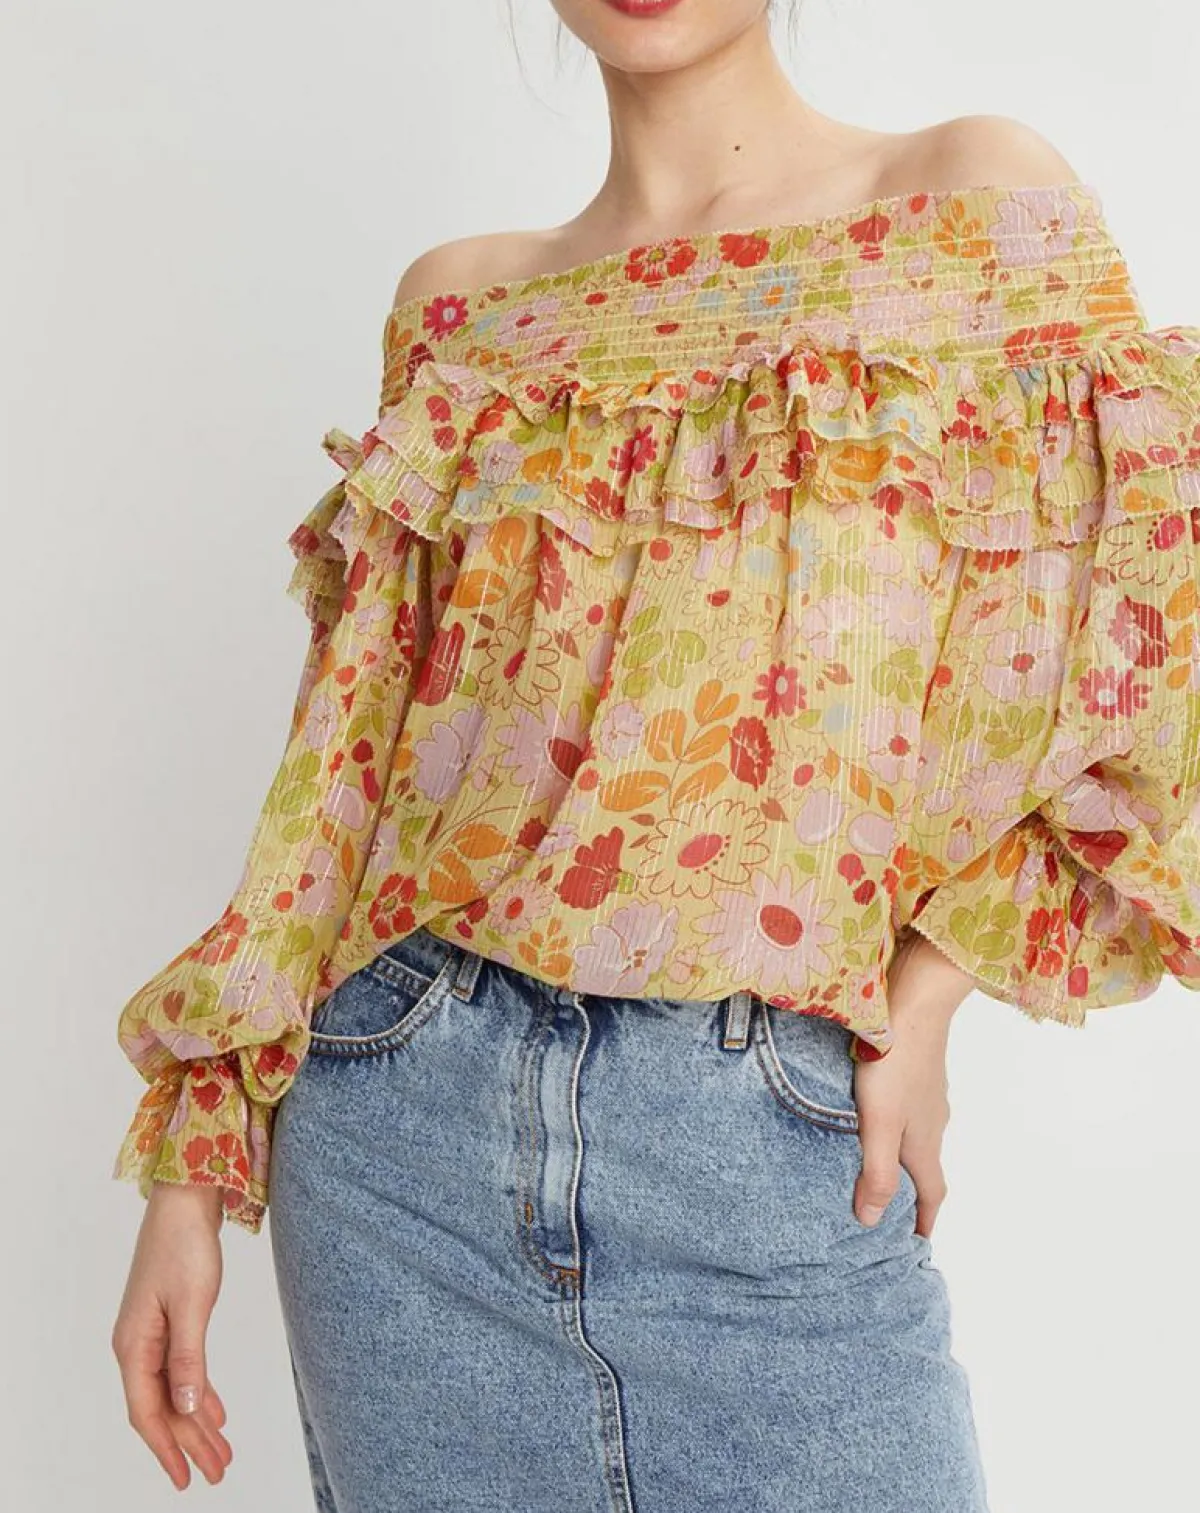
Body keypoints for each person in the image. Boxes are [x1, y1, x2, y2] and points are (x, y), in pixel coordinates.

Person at [109, 1, 1200, 1509]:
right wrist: (192, 1164)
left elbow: (1154, 650)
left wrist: (932, 990)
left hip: (768, 1130)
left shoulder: (970, 205)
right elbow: (339, 778)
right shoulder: (464, 309)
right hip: (400, 1140)